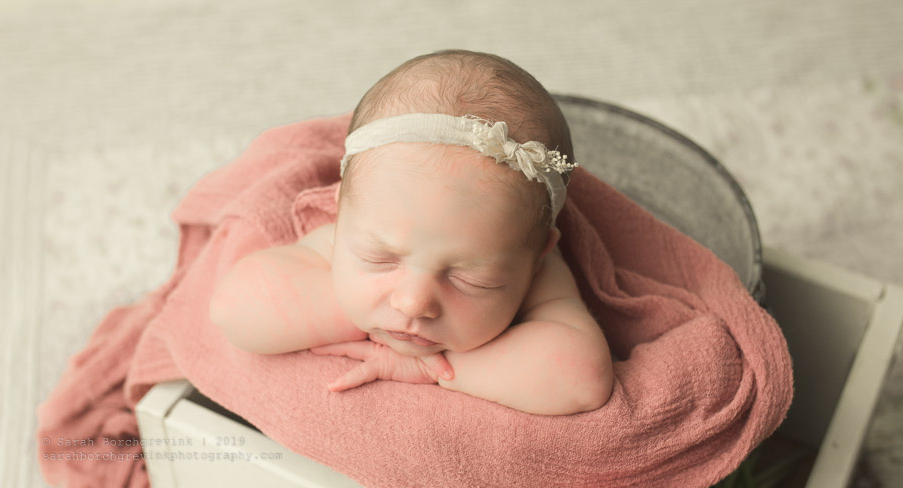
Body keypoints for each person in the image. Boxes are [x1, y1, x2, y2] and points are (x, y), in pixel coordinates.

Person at [209, 49, 614, 415]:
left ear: (539, 252)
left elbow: (582, 378)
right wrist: (362, 315)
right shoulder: (356, 226)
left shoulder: (537, 268)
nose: (413, 303)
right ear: (338, 208)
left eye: (470, 278)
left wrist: (432, 367)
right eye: (380, 260)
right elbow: (234, 309)